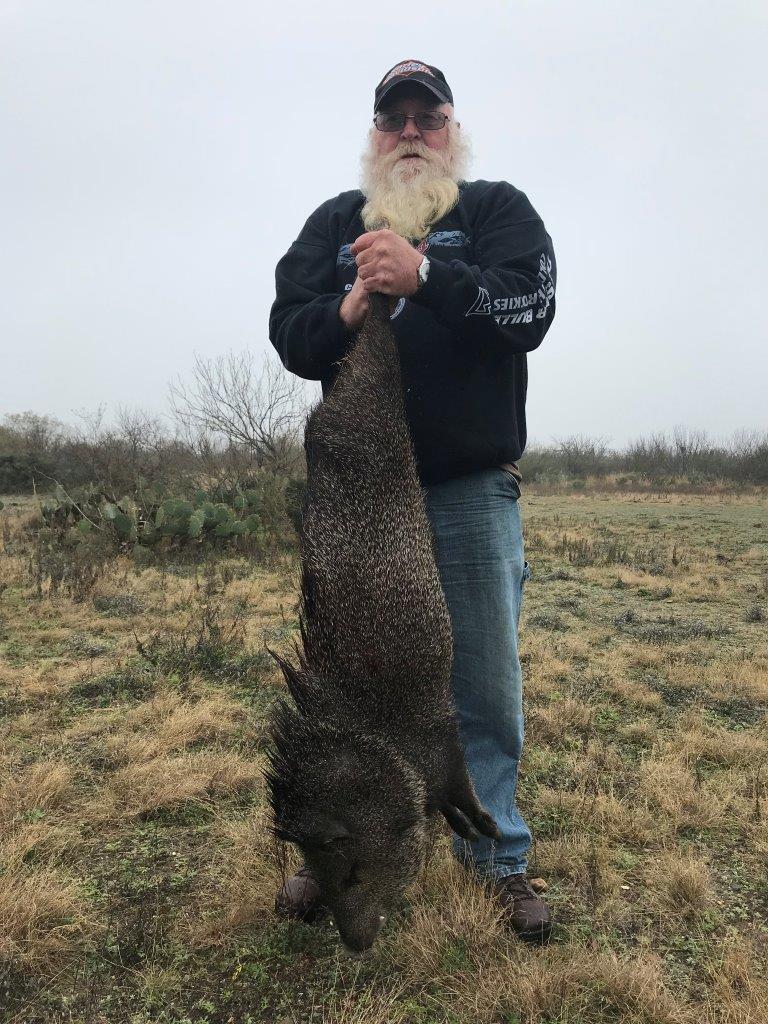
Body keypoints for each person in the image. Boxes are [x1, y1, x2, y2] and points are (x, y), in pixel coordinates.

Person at [269, 59, 556, 943]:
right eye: (393, 119)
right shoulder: (332, 224)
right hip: (358, 511)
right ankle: (337, 855)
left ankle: (497, 860)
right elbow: (289, 331)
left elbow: (532, 312)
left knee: (481, 688)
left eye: (425, 118)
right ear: (374, 135)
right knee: (343, 687)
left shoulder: (497, 212)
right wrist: (352, 303)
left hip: (467, 492)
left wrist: (428, 277)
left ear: (450, 129)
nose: (409, 133)